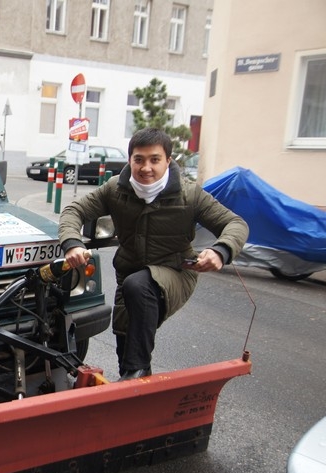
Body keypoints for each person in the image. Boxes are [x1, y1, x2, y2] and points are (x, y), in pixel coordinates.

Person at [59, 128, 248, 380]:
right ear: (130, 160)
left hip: (176, 273)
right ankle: (136, 384)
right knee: (126, 342)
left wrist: (220, 251)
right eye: (139, 159)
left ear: (168, 160)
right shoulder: (115, 189)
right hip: (129, 278)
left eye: (154, 159)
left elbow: (235, 224)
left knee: (139, 287)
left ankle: (137, 375)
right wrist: (72, 243)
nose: (146, 167)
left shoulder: (189, 194)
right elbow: (74, 210)